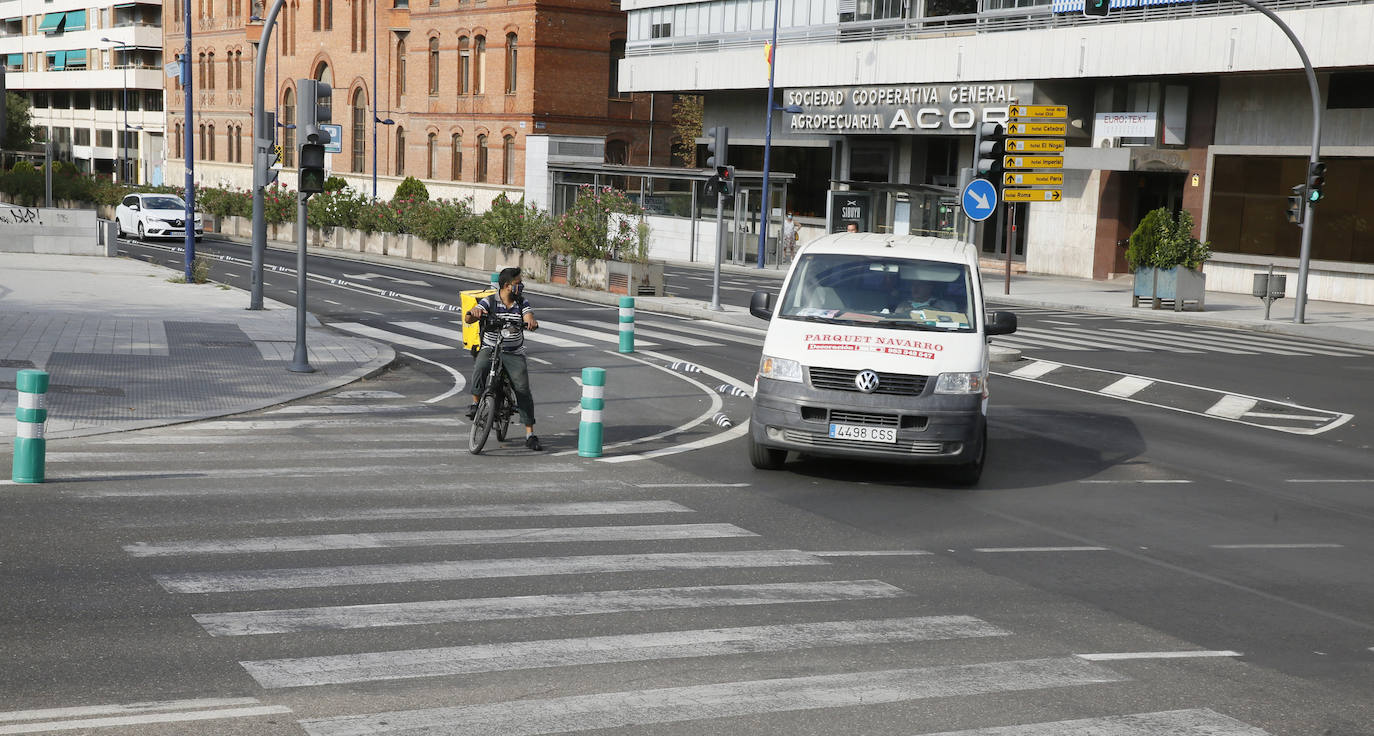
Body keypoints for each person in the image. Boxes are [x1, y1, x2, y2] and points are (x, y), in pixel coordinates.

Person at [464, 267, 542, 451]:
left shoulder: (522, 302)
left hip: (514, 351)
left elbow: (529, 315)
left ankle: (530, 433)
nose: (521, 286)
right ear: (507, 286)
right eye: (518, 283)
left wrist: (530, 321)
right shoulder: (490, 301)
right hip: (491, 348)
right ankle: (476, 404)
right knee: (480, 367)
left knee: (522, 387)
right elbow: (471, 315)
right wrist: (473, 313)